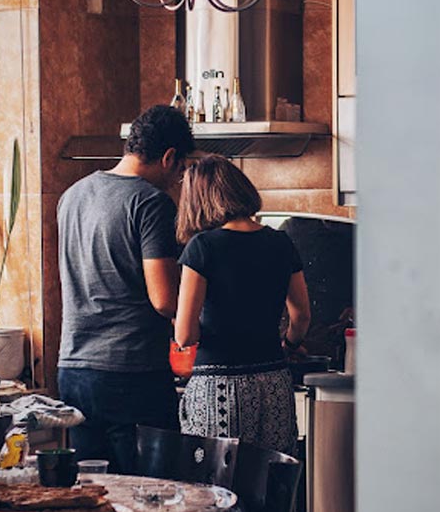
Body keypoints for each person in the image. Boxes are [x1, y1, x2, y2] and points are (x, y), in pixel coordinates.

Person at [56, 105, 195, 473]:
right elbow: (165, 300)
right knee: (154, 497)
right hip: (130, 373)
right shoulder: (151, 203)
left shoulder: (71, 196)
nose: (178, 179)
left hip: (73, 370)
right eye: (181, 169)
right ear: (169, 157)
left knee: (96, 496)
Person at [174, 155, 311, 455]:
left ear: (198, 200)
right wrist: (288, 345)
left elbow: (185, 335)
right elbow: (301, 315)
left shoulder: (203, 247)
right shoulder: (281, 242)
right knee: (271, 484)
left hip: (219, 388)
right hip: (274, 382)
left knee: (217, 492)